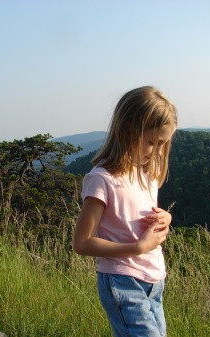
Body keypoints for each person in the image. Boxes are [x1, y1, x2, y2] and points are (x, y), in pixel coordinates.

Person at [73, 86, 177, 337]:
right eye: (153, 142)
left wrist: (166, 217)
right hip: (122, 279)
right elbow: (82, 243)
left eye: (164, 144)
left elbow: (142, 215)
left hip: (154, 277)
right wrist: (137, 248)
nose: (159, 151)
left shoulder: (147, 173)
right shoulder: (102, 179)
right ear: (127, 130)